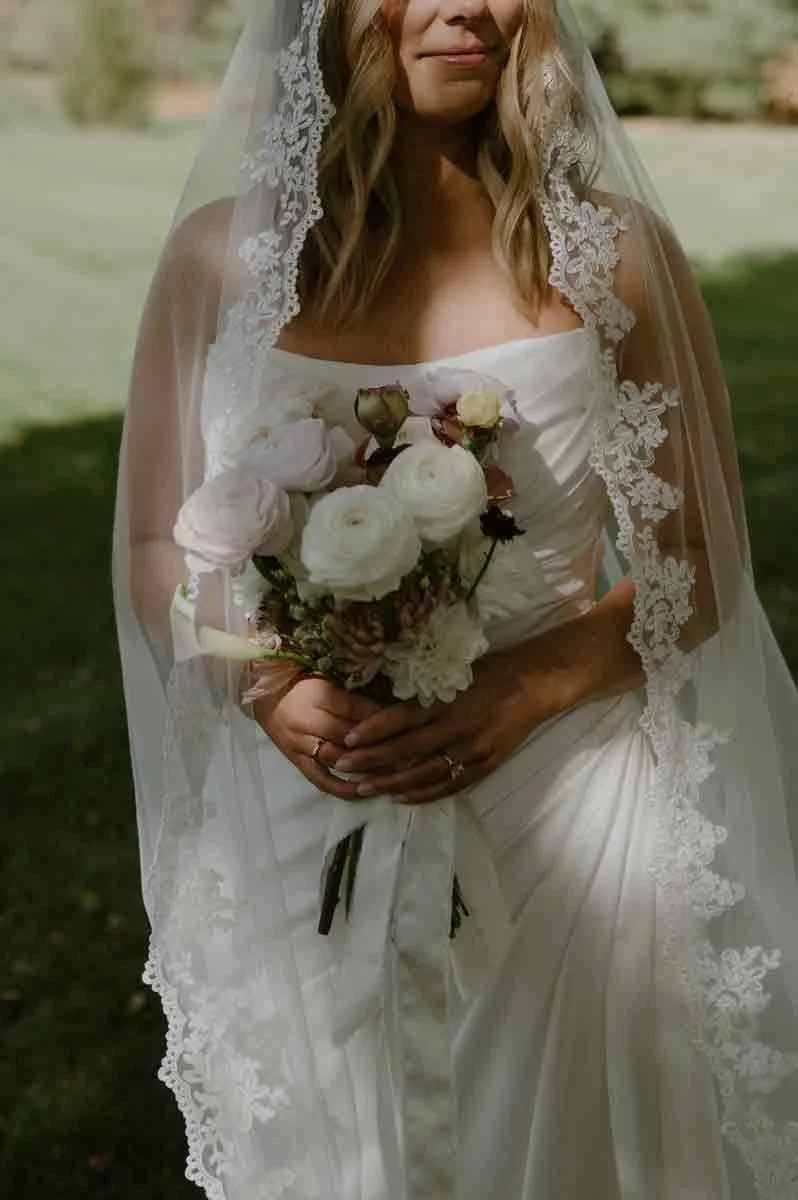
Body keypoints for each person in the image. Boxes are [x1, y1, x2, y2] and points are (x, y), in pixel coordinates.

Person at [113, 2, 798, 1198]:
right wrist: (271, 687)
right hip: (304, 806)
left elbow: (703, 550)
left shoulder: (614, 253)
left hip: (571, 825)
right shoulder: (223, 260)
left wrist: (526, 686)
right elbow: (150, 539)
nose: (463, 5)